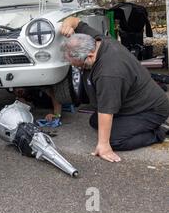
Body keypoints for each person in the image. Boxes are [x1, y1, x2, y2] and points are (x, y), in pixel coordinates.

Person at [60, 17, 169, 162]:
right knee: (95, 121)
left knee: (114, 139)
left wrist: (104, 145)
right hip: (131, 104)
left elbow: (106, 110)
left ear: (90, 56)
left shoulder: (109, 72)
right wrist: (67, 25)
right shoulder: (96, 41)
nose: (77, 68)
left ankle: (158, 132)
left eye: (78, 65)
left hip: (150, 110)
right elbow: (75, 21)